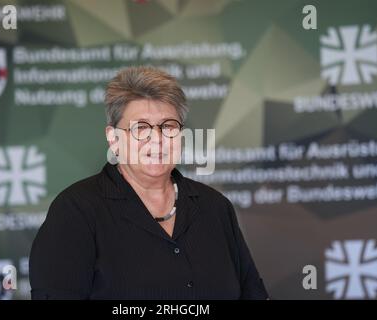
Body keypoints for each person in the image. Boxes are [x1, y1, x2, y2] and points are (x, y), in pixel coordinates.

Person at [29, 66, 268, 299]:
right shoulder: (76, 211)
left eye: (169, 127)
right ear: (113, 139)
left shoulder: (215, 207)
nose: (157, 140)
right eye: (140, 128)